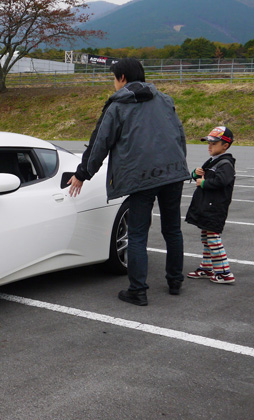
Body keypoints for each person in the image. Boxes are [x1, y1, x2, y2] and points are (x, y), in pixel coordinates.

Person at [67, 58, 189, 306]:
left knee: (137, 234)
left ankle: (138, 290)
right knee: (172, 229)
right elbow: (180, 135)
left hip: (141, 177)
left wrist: (82, 174)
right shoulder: (165, 99)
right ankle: (175, 282)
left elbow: (100, 142)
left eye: (114, 78)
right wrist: (178, 165)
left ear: (122, 78)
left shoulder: (118, 105)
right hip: (173, 172)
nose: (113, 83)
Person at [185, 126, 236, 284]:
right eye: (209, 143)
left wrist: (204, 182)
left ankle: (224, 272)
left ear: (225, 146)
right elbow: (203, 177)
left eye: (214, 143)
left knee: (213, 238)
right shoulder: (214, 161)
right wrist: (196, 174)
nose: (209, 146)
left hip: (216, 207)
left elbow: (222, 181)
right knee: (207, 238)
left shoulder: (225, 163)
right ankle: (207, 267)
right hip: (207, 206)